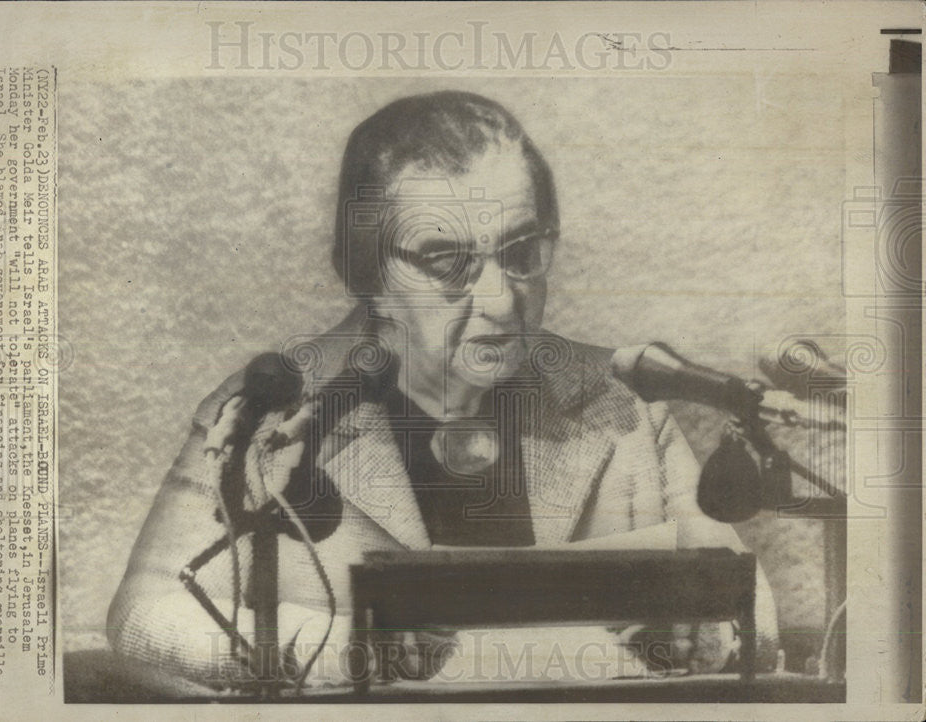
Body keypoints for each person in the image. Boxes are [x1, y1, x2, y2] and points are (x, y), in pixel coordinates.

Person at [107, 90, 778, 692]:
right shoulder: (275, 406)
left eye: (520, 253)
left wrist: (703, 633)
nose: (500, 299)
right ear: (365, 268)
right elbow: (142, 614)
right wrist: (339, 649)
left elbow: (757, 612)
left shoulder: (618, 404)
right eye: (445, 261)